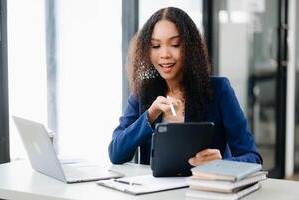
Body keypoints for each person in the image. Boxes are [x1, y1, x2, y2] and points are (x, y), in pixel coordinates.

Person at [108, 7, 262, 166]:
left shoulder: (219, 90)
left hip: (204, 188)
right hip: (156, 191)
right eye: (155, 46)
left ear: (190, 47)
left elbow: (253, 158)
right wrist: (150, 115)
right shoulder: (143, 93)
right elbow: (116, 153)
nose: (165, 54)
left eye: (175, 44)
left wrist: (222, 163)